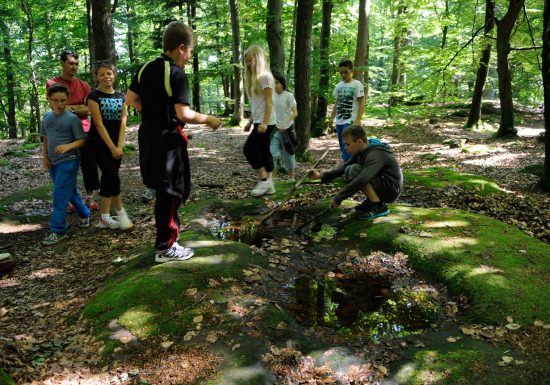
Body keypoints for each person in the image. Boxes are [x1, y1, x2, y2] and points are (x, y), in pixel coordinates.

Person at [126, 21, 221, 262]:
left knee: (164, 189)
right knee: (171, 190)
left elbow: (130, 99)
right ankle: (165, 246)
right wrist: (208, 118)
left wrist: (153, 113)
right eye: (190, 52)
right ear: (181, 48)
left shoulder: (145, 67)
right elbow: (184, 114)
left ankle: (167, 241)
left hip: (148, 134)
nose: (189, 57)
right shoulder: (176, 73)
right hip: (167, 140)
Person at [308, 125, 403, 220]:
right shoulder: (362, 150)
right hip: (384, 185)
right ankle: (372, 201)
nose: (345, 148)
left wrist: (339, 198)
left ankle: (378, 206)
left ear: (359, 142)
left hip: (391, 190)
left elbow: (362, 180)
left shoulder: (375, 154)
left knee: (354, 170)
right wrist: (321, 176)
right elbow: (343, 168)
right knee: (348, 169)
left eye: (348, 144)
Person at [46, 49, 99, 212]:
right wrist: (78, 108)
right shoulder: (52, 83)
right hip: (61, 131)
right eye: (70, 63)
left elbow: (88, 110)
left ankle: (89, 197)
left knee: (89, 164)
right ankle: (70, 199)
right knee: (64, 165)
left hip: (84, 130)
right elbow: (57, 108)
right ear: (62, 63)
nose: (74, 67)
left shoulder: (83, 85)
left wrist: (71, 108)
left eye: (76, 64)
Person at [41, 83, 91, 245]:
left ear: (68, 99)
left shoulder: (72, 119)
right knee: (68, 192)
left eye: (63, 100)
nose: (60, 103)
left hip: (69, 161)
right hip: (53, 162)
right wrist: (45, 156)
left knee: (59, 195)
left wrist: (67, 147)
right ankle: (84, 213)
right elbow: (46, 138)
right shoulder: (47, 117)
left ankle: (58, 231)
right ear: (48, 99)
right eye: (55, 100)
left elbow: (82, 140)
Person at [87, 61, 133, 230]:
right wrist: (112, 148)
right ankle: (121, 214)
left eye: (109, 73)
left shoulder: (122, 97)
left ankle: (104, 218)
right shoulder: (93, 97)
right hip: (99, 143)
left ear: (114, 75)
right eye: (102, 74)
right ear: (97, 77)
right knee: (113, 176)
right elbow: (98, 124)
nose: (106, 77)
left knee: (108, 178)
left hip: (116, 143)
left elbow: (123, 122)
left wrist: (119, 146)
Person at [243, 45, 278, 196]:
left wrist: (264, 123)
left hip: (267, 121)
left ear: (257, 58)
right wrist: (251, 121)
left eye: (250, 60)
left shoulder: (265, 77)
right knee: (264, 151)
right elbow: (257, 104)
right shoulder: (255, 79)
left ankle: (264, 181)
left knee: (249, 149)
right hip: (259, 121)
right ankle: (269, 184)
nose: (248, 64)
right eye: (246, 61)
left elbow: (269, 102)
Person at [328, 59, 365, 162]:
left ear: (352, 71)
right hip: (339, 120)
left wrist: (358, 119)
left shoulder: (356, 84)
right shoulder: (339, 86)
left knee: (348, 143)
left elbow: (362, 102)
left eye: (346, 72)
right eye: (341, 73)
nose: (343, 75)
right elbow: (337, 103)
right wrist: (331, 119)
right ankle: (347, 164)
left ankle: (349, 165)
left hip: (350, 119)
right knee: (342, 144)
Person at [270, 71, 298, 181]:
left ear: (282, 83)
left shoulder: (289, 96)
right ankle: (272, 178)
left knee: (289, 154)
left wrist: (285, 123)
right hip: (275, 130)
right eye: (273, 82)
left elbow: (295, 113)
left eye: (276, 82)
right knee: (273, 153)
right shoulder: (271, 96)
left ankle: (291, 178)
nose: (274, 85)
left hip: (287, 131)